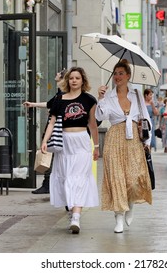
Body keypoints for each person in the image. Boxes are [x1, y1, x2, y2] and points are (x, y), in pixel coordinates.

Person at [95, 59, 152, 234]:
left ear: (128, 76)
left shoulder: (136, 94)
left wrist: (147, 142)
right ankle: (118, 217)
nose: (117, 77)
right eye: (115, 74)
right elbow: (101, 115)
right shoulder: (109, 96)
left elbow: (145, 117)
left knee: (134, 179)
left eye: (121, 73)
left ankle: (131, 204)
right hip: (114, 138)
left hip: (134, 138)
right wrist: (101, 98)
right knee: (117, 178)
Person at [41, 67, 100, 234]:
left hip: (82, 142)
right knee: (66, 178)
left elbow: (93, 125)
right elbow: (51, 123)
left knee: (79, 179)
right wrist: (45, 141)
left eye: (77, 78)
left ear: (83, 81)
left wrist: (96, 146)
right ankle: (72, 209)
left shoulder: (89, 100)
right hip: (64, 143)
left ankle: (76, 217)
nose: (74, 80)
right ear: (68, 81)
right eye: (71, 78)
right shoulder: (59, 99)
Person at [23, 69, 66, 194]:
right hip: (53, 129)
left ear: (62, 78)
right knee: (50, 156)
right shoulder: (59, 93)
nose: (56, 74)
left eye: (58, 73)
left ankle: (48, 185)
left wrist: (53, 111)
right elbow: (49, 104)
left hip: (57, 131)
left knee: (51, 157)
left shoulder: (64, 93)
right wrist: (33, 104)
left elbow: (54, 108)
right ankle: (48, 184)